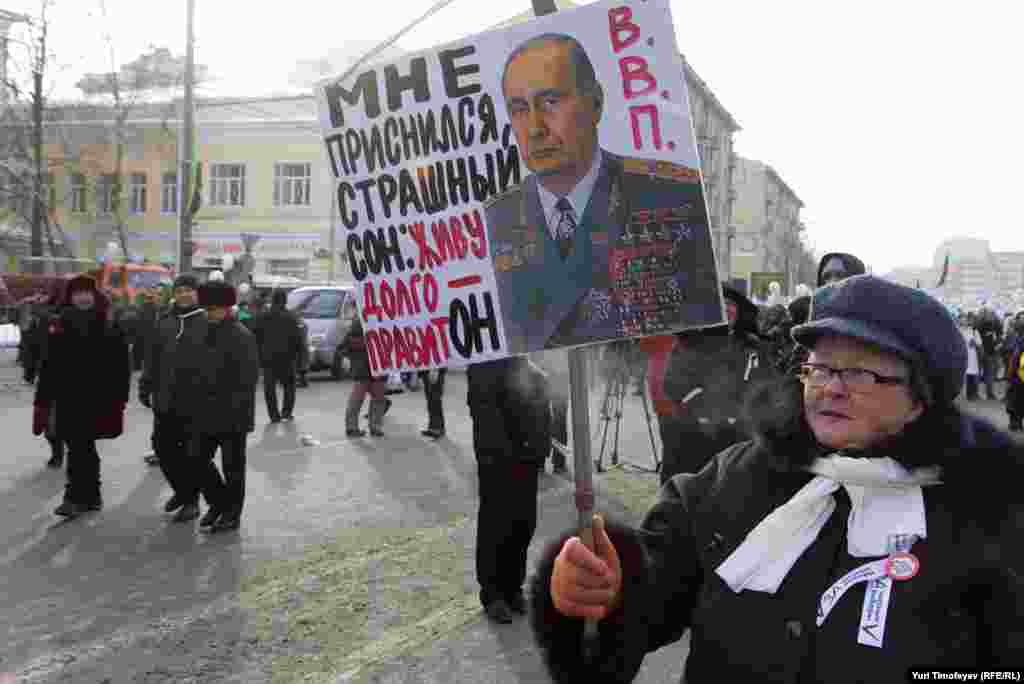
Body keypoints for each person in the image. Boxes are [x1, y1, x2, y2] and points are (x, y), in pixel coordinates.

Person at [530, 274, 1022, 681]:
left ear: (921, 397)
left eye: (860, 373)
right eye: (820, 368)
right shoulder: (733, 478)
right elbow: (649, 594)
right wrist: (603, 590)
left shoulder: (989, 514)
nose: (830, 388)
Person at [484, 33, 719, 354]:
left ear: (595, 103)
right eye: (520, 109)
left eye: (551, 102)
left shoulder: (675, 196)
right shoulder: (492, 220)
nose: (536, 128)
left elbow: (699, 332)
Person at [33, 275, 130, 517]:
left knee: (80, 446)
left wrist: (120, 398)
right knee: (80, 446)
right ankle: (87, 496)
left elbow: (121, 364)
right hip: (67, 396)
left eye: (86, 292)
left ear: (94, 294)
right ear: (70, 296)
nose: (82, 297)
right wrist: (42, 399)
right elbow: (48, 364)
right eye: (77, 293)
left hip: (98, 397)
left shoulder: (108, 322)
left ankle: (77, 497)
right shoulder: (59, 323)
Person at [660, 284, 775, 482]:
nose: (727, 309)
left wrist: (746, 411)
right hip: (696, 435)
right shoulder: (691, 341)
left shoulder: (754, 346)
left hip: (741, 437)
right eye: (721, 304)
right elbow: (674, 383)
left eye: (731, 304)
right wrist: (707, 409)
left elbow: (767, 384)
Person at [468, 356, 551, 623]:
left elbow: (540, 405)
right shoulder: (484, 365)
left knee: (523, 523)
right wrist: (502, 455)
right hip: (498, 460)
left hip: (526, 457)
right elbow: (486, 414)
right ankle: (493, 594)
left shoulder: (526, 365)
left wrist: (539, 448)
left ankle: (513, 587)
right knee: (496, 526)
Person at [139, 273, 208, 523]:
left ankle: (191, 501)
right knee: (162, 447)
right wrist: (145, 385)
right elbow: (152, 356)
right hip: (165, 396)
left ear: (197, 293)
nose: (184, 295)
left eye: (189, 290)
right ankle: (182, 491)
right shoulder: (165, 320)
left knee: (190, 452)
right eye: (180, 291)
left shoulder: (206, 321)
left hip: (195, 400)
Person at [191, 281, 260, 532]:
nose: (208, 314)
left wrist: (231, 408)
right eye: (206, 309)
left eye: (212, 309)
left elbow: (248, 379)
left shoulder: (242, 336)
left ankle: (232, 514)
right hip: (204, 411)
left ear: (226, 307)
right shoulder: (203, 331)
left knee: (233, 469)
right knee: (196, 458)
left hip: (232, 414)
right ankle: (219, 503)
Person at [22, 288, 65, 468]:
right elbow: (31, 348)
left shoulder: (63, 321)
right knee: (48, 419)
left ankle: (59, 453)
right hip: (48, 377)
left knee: (55, 420)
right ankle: (58, 452)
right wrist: (30, 371)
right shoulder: (40, 322)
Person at [252, 289, 304, 423]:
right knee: (289, 386)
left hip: (268, 358)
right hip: (287, 358)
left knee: (269, 387)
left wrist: (259, 354)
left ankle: (274, 415)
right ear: (285, 300)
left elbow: (254, 336)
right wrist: (299, 357)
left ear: (273, 300)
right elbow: (298, 339)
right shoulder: (291, 317)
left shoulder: (262, 316)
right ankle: (286, 412)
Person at [339, 317, 387, 437]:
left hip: (374, 369)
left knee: (375, 398)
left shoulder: (383, 321)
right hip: (366, 369)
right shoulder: (359, 323)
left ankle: (368, 427)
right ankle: (361, 427)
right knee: (363, 399)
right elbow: (344, 346)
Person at [417, 368, 447, 439]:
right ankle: (435, 428)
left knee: (434, 400)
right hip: (428, 369)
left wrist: (435, 370)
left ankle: (437, 428)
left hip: (434, 368)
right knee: (431, 401)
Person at [959, 314, 982, 400]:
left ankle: (972, 394)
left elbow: (979, 342)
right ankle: (965, 394)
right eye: (961, 319)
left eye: (964, 319)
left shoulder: (973, 330)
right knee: (965, 374)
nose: (963, 321)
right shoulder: (958, 330)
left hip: (972, 355)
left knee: (972, 375)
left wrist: (975, 342)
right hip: (962, 354)